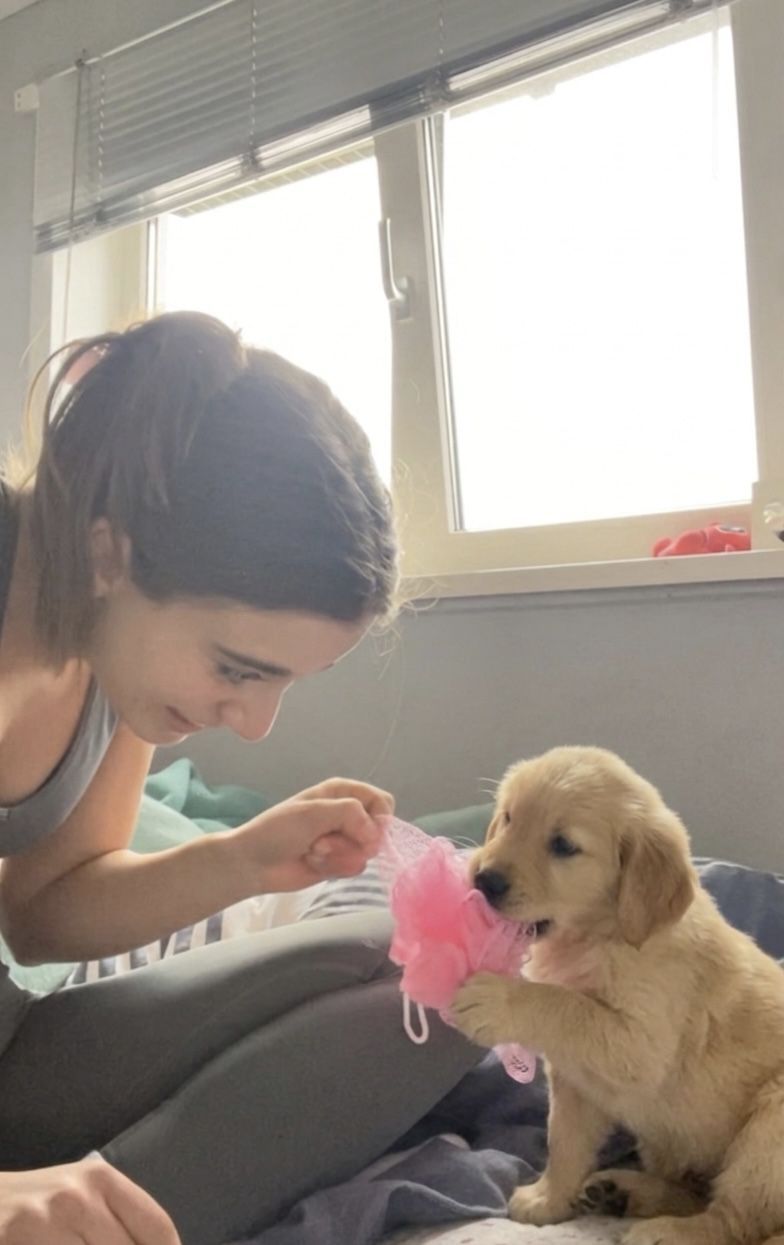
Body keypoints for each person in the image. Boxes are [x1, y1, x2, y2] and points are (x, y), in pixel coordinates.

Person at [0, 312, 478, 1245]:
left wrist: (246, 859)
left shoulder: (109, 647)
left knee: (451, 976)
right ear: (110, 553)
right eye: (236, 668)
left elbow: (43, 911)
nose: (254, 724)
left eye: (283, 683)